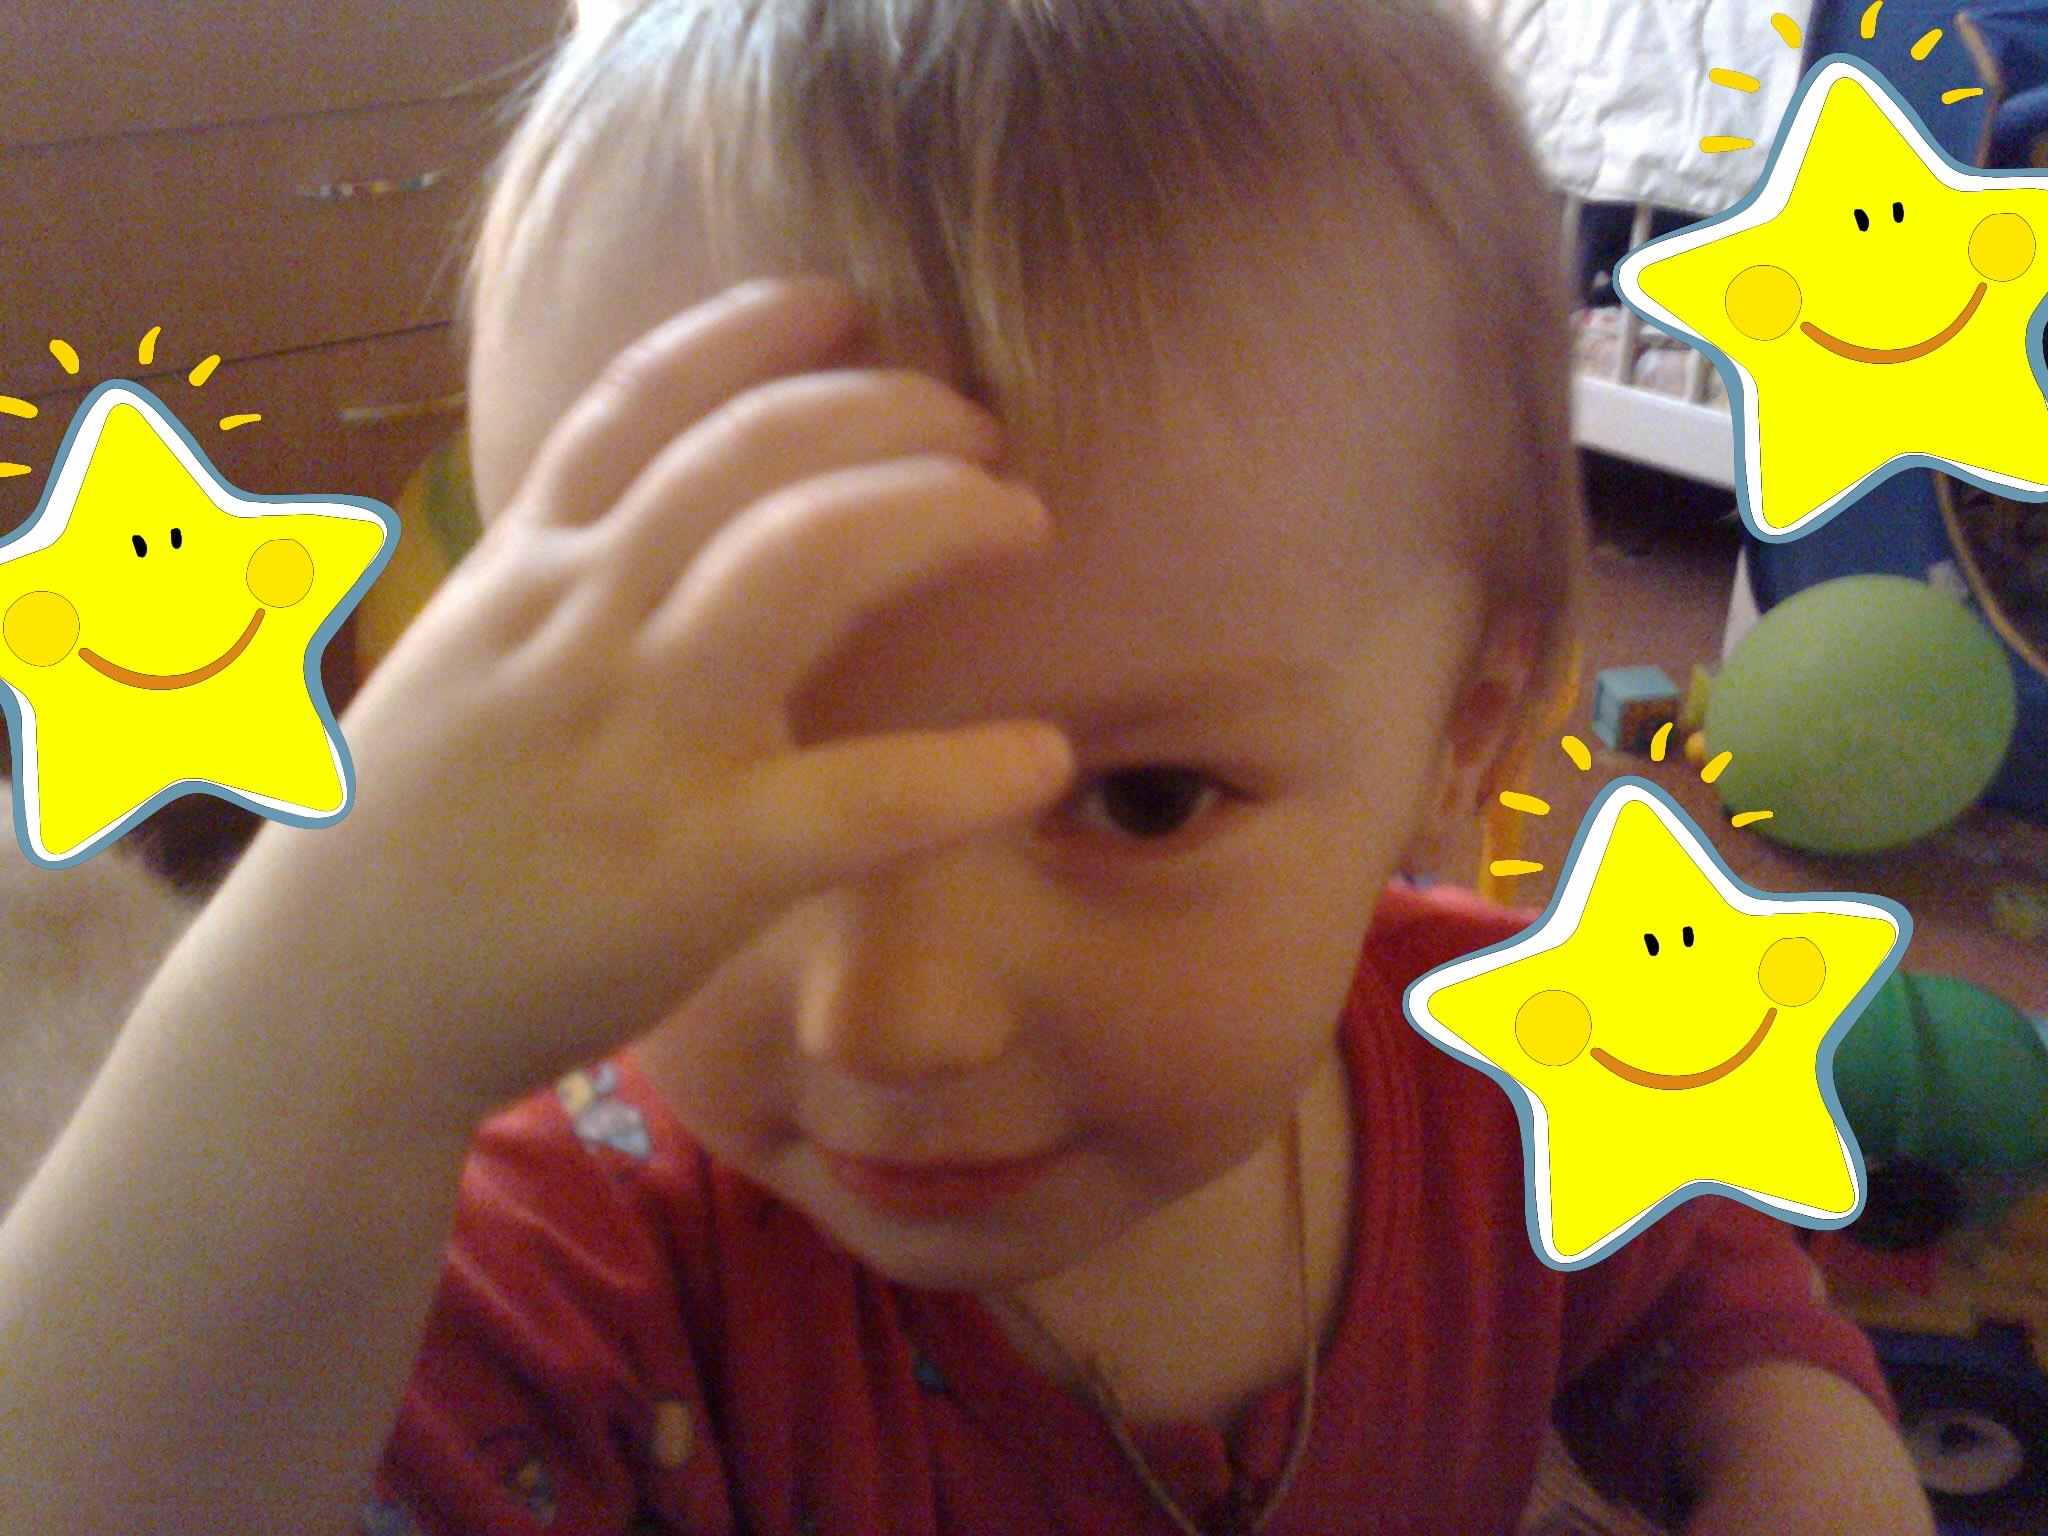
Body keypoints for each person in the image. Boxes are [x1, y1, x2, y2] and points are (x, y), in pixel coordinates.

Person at [0, 3, 1937, 1533]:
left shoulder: (1517, 1058)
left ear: (1464, 732)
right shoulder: (559, 1265)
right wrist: (326, 1023)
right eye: (729, 775)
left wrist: (1798, 1446)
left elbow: (1694, 1287)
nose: (896, 1019)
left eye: (1142, 800)